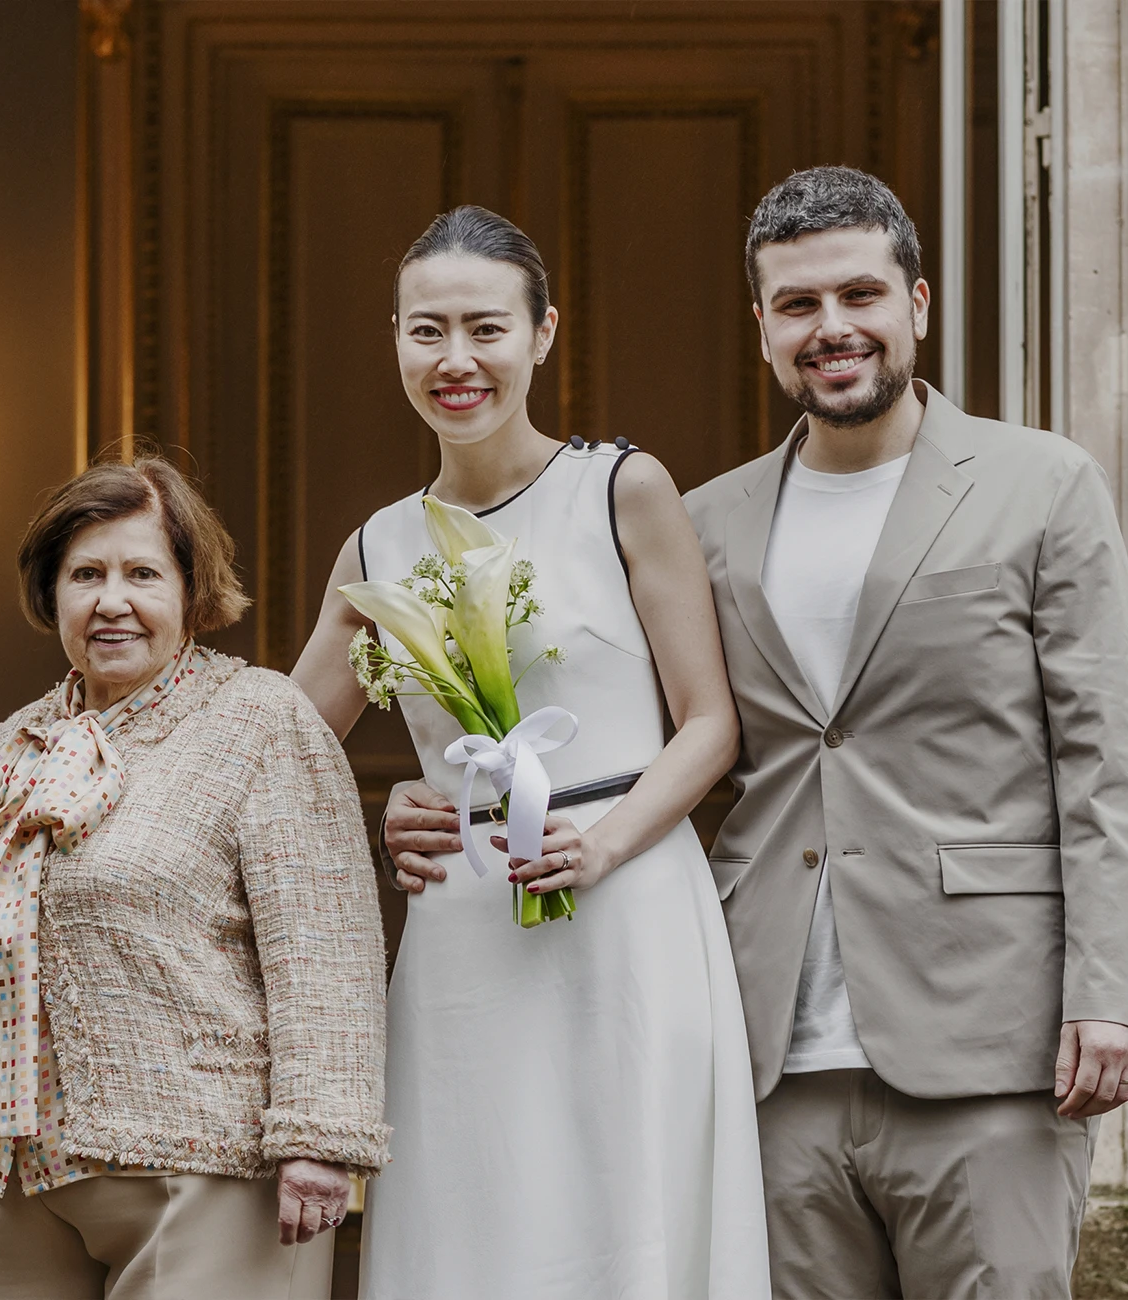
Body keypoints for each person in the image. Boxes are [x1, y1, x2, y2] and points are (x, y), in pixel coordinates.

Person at [390, 167, 1128, 1298]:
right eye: (798, 305)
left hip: (988, 1038)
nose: (832, 328)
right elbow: (604, 730)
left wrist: (1113, 992)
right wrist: (432, 794)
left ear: (919, 306)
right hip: (761, 1051)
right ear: (761, 328)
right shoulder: (701, 520)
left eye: (860, 296)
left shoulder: (1041, 485)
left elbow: (1107, 763)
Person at [291, 206, 771, 1298]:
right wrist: (391, 806)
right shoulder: (378, 544)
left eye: (485, 328)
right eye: (425, 331)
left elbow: (709, 723)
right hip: (465, 924)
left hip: (628, 903)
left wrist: (601, 848)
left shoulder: (621, 488)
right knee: (477, 1209)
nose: (455, 360)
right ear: (396, 341)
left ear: (543, 333)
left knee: (625, 1206)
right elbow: (276, 746)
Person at [0, 457, 389, 1300]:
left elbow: (323, 945)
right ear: (52, 594)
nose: (111, 600)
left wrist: (322, 1137)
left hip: (202, 1169)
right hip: (17, 1182)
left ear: (191, 592)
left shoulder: (260, 719)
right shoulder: (18, 741)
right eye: (85, 574)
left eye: (141, 574)